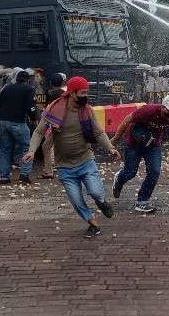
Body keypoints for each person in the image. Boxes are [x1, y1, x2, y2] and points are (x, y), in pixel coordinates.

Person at [25, 76, 119, 238]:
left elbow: (98, 132)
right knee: (76, 200)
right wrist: (32, 150)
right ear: (72, 93)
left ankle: (102, 202)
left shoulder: (87, 110)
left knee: (96, 192)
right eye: (82, 93)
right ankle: (92, 224)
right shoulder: (54, 109)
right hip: (65, 166)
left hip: (85, 160)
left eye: (86, 93)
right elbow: (39, 132)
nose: (85, 96)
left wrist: (110, 148)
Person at [111, 94, 169, 213]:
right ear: (163, 107)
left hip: (153, 145)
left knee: (154, 172)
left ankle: (142, 201)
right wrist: (115, 140)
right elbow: (127, 120)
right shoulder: (148, 110)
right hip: (134, 143)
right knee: (130, 172)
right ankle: (119, 179)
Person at [0, 69, 37, 184]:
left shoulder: (7, 88)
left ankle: (4, 177)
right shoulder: (29, 89)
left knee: (5, 149)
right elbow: (31, 107)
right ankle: (24, 174)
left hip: (1, 122)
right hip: (18, 122)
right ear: (28, 80)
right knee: (27, 148)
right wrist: (34, 120)